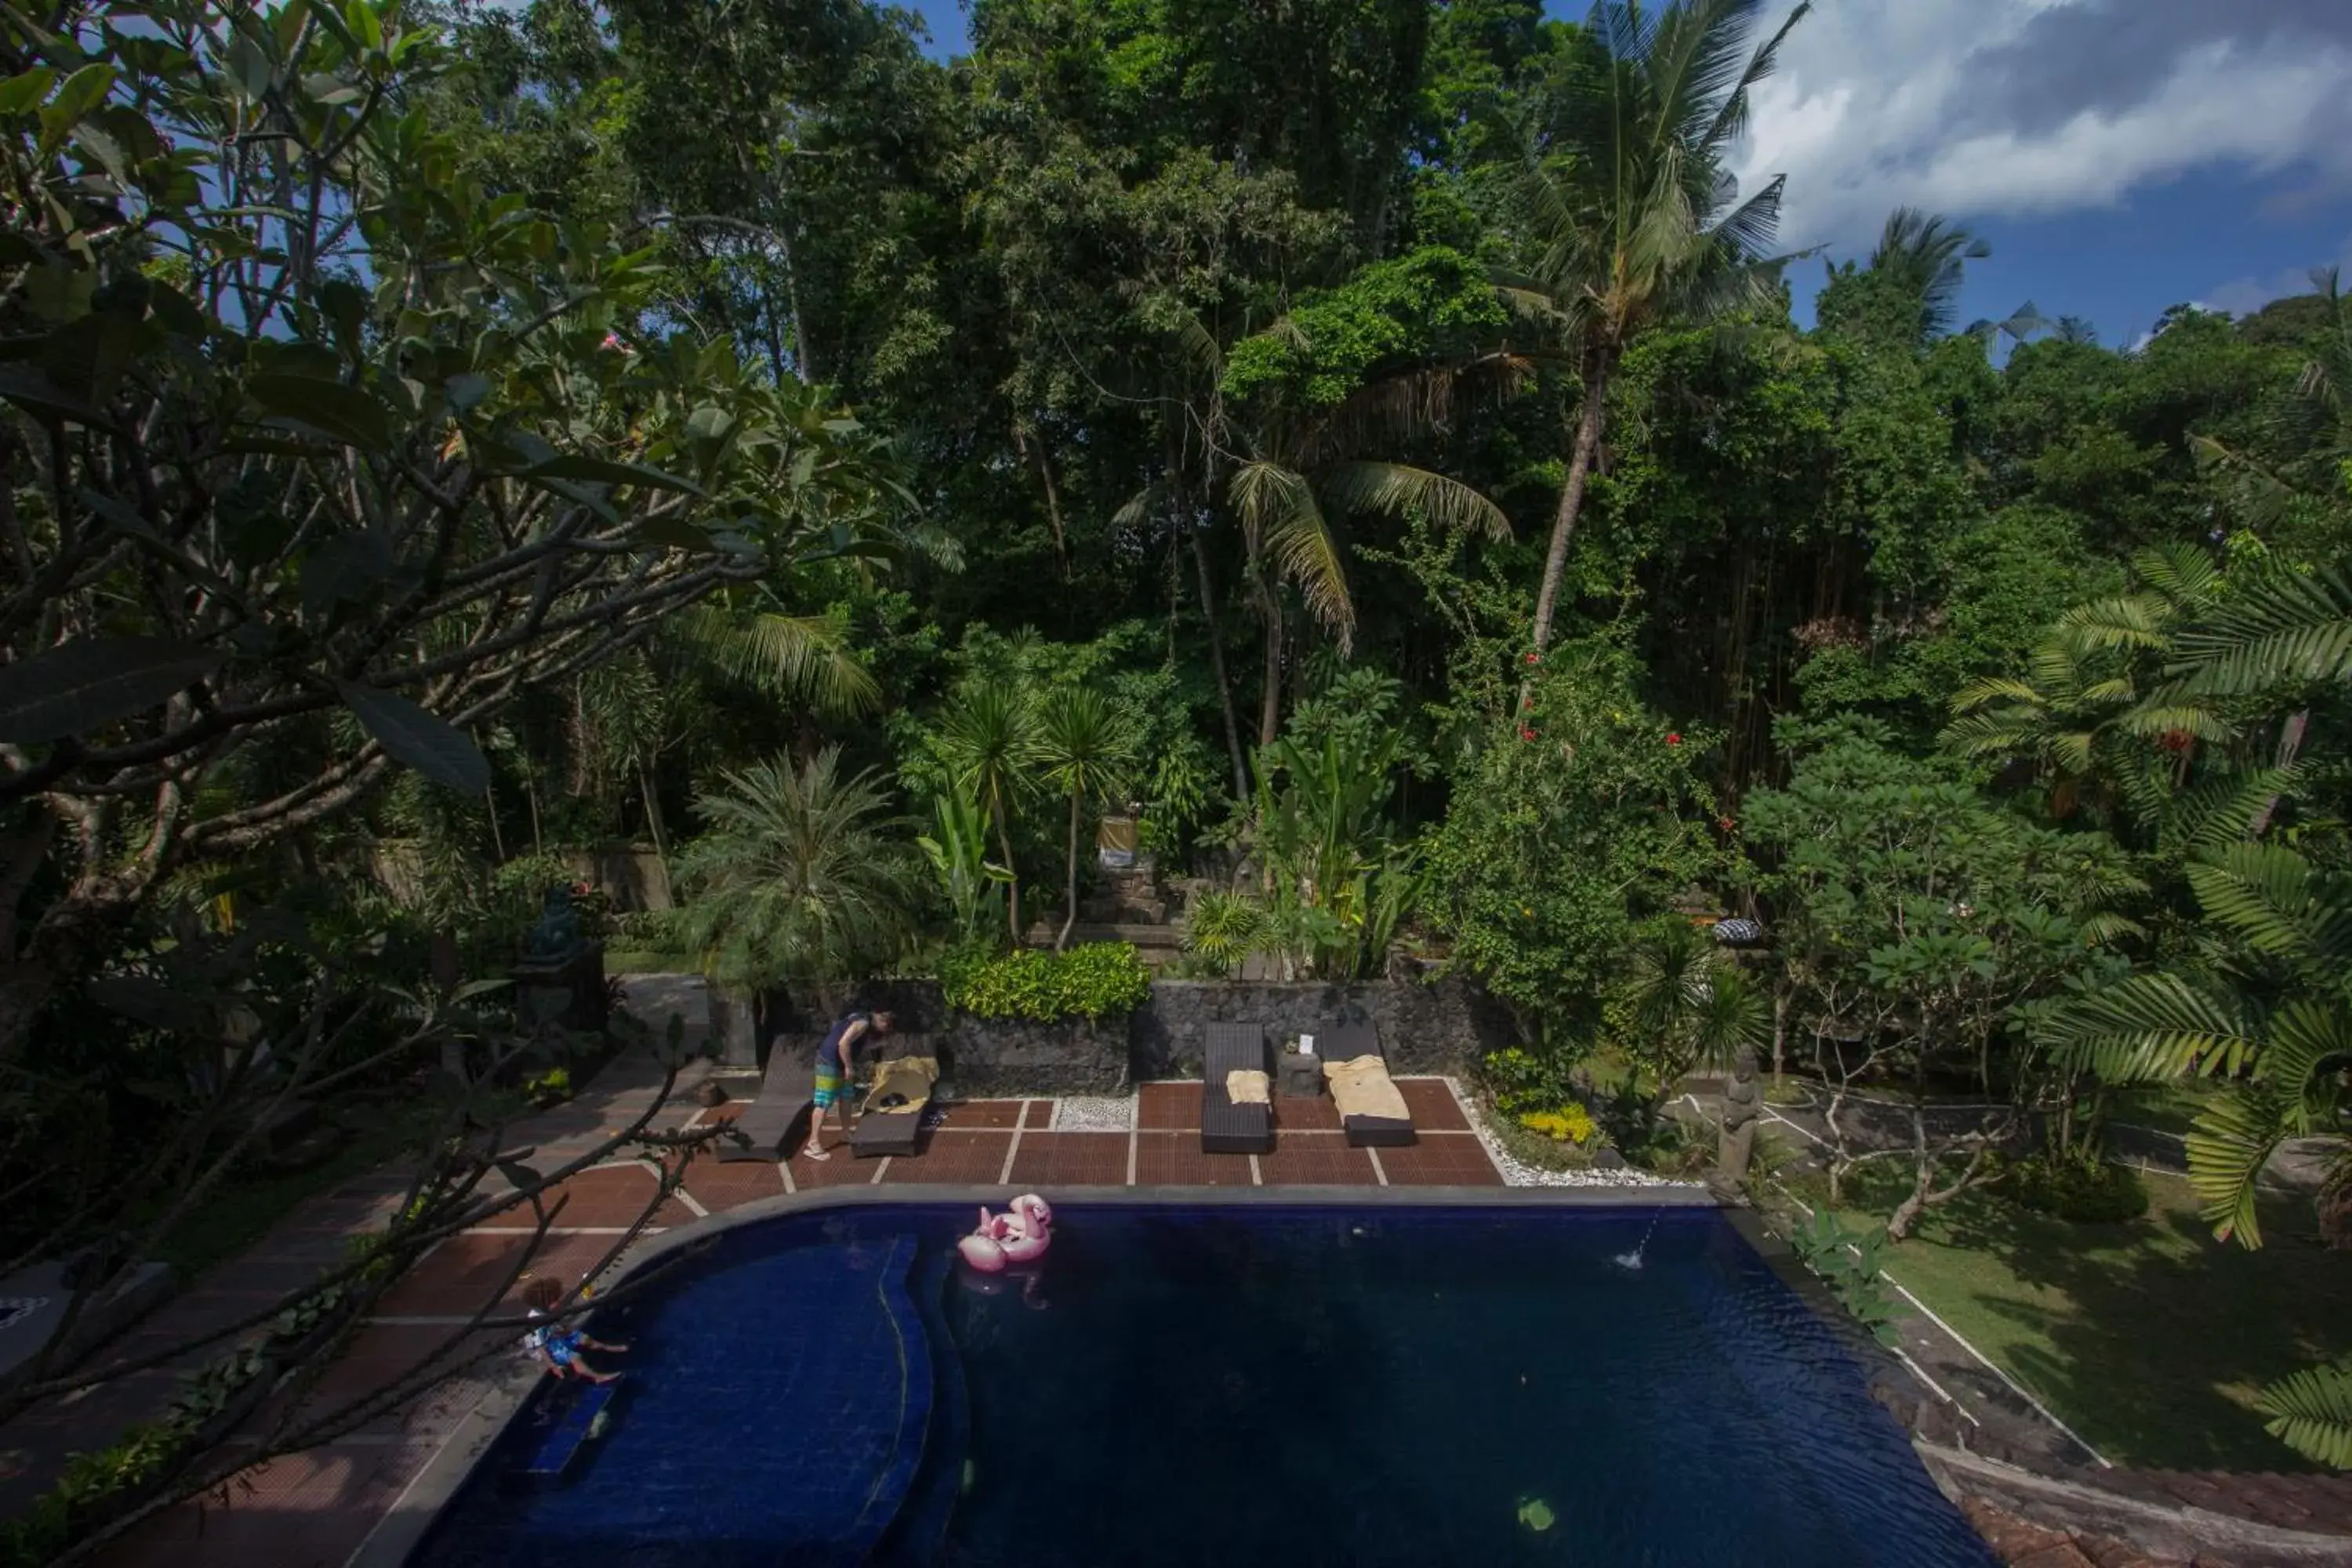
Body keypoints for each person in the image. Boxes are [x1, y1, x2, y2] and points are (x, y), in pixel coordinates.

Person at [801, 1007, 894, 1160]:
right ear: (880, 1020)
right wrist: (849, 1067)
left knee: (846, 1097)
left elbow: (854, 1043)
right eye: (887, 1026)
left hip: (840, 1063)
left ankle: (845, 1132)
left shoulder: (863, 1022)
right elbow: (843, 1044)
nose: (887, 1030)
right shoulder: (863, 1023)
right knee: (823, 1102)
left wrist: (877, 1045)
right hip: (829, 1062)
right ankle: (813, 1143)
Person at [521, 1276, 627, 1385]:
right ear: (544, 1304)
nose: (559, 1302)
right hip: (542, 1349)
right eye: (556, 1300)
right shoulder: (537, 1322)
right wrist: (553, 1366)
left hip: (552, 1336)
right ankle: (597, 1377)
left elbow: (559, 1326)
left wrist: (571, 1333)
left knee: (583, 1338)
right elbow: (540, 1348)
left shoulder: (549, 1311)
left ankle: (605, 1347)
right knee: (574, 1357)